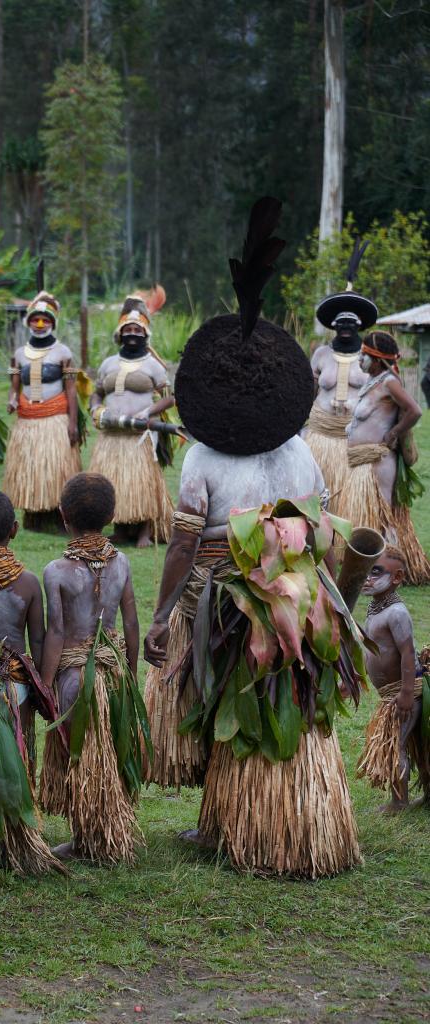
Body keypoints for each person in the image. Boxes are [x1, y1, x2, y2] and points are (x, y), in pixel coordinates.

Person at [143, 197, 366, 878]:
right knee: (291, 697)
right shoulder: (299, 451)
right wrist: (328, 597)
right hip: (297, 592)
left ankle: (242, 829)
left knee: (224, 697)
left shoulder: (204, 458)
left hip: (223, 596)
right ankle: (285, 824)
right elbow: (323, 530)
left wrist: (161, 616)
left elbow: (184, 546)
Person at [38, 472, 148, 865]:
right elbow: (131, 624)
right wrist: (130, 673)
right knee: (109, 754)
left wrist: (45, 684)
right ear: (113, 515)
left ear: (63, 515)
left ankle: (88, 839)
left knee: (82, 758)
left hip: (73, 681)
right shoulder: (122, 563)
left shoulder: (56, 571)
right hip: (113, 674)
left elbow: (56, 631)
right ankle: (109, 832)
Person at [0, 488, 64, 875]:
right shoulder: (28, 584)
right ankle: (18, 833)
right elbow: (38, 640)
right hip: (14, 687)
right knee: (18, 758)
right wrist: (45, 684)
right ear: (15, 530)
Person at [343, 331, 430, 585]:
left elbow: (414, 410)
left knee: (383, 516)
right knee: (368, 519)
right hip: (362, 463)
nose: (360, 359)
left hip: (379, 462)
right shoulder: (373, 381)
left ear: (378, 359)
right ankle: (374, 565)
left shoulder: (390, 382)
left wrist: (393, 433)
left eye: (365, 355)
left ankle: (392, 569)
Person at [88, 294, 175, 547]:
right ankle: (120, 529)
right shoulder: (108, 364)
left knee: (143, 484)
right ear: (120, 333)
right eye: (128, 329)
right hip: (112, 436)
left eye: (138, 329)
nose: (133, 333)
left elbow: (169, 399)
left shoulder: (153, 365)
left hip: (140, 436)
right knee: (113, 482)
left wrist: (147, 412)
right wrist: (96, 409)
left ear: (145, 334)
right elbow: (97, 392)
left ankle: (145, 533)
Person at [305, 243, 376, 517]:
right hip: (321, 436)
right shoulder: (321, 354)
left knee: (352, 502)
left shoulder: (369, 357)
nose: (345, 329)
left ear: (359, 326)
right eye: (340, 324)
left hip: (354, 437)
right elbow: (309, 390)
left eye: (351, 324)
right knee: (316, 490)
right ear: (333, 327)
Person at [357, 547, 429, 811]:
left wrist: (408, 693)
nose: (368, 578)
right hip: (392, 694)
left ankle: (400, 802)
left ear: (397, 578)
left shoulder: (396, 613)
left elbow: (408, 653)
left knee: (395, 744)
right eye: (367, 571)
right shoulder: (375, 610)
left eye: (376, 572)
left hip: (404, 694)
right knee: (413, 745)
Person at [2, 291, 81, 531]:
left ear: (53, 323)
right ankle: (33, 516)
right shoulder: (19, 354)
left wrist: (73, 423)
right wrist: (13, 401)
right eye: (35, 320)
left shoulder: (63, 353)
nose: (39, 324)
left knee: (56, 470)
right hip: (28, 421)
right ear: (28, 323)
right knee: (31, 468)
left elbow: (71, 391)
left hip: (55, 419)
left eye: (45, 320)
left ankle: (58, 518)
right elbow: (14, 389)